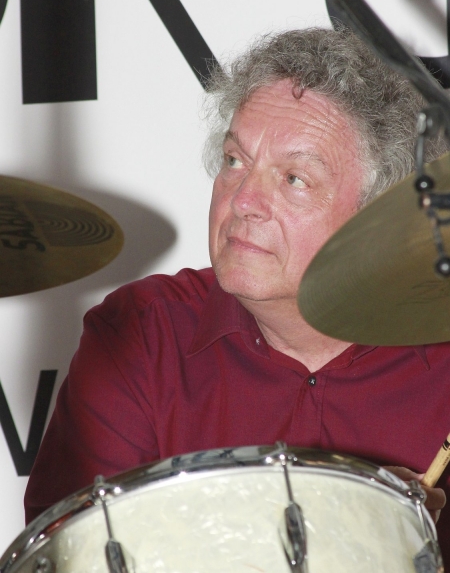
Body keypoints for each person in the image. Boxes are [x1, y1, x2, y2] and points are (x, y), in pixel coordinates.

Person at [25, 27, 450, 565]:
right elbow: (67, 555)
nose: (244, 199)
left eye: (294, 178)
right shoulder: (141, 334)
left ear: (380, 215)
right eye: (234, 160)